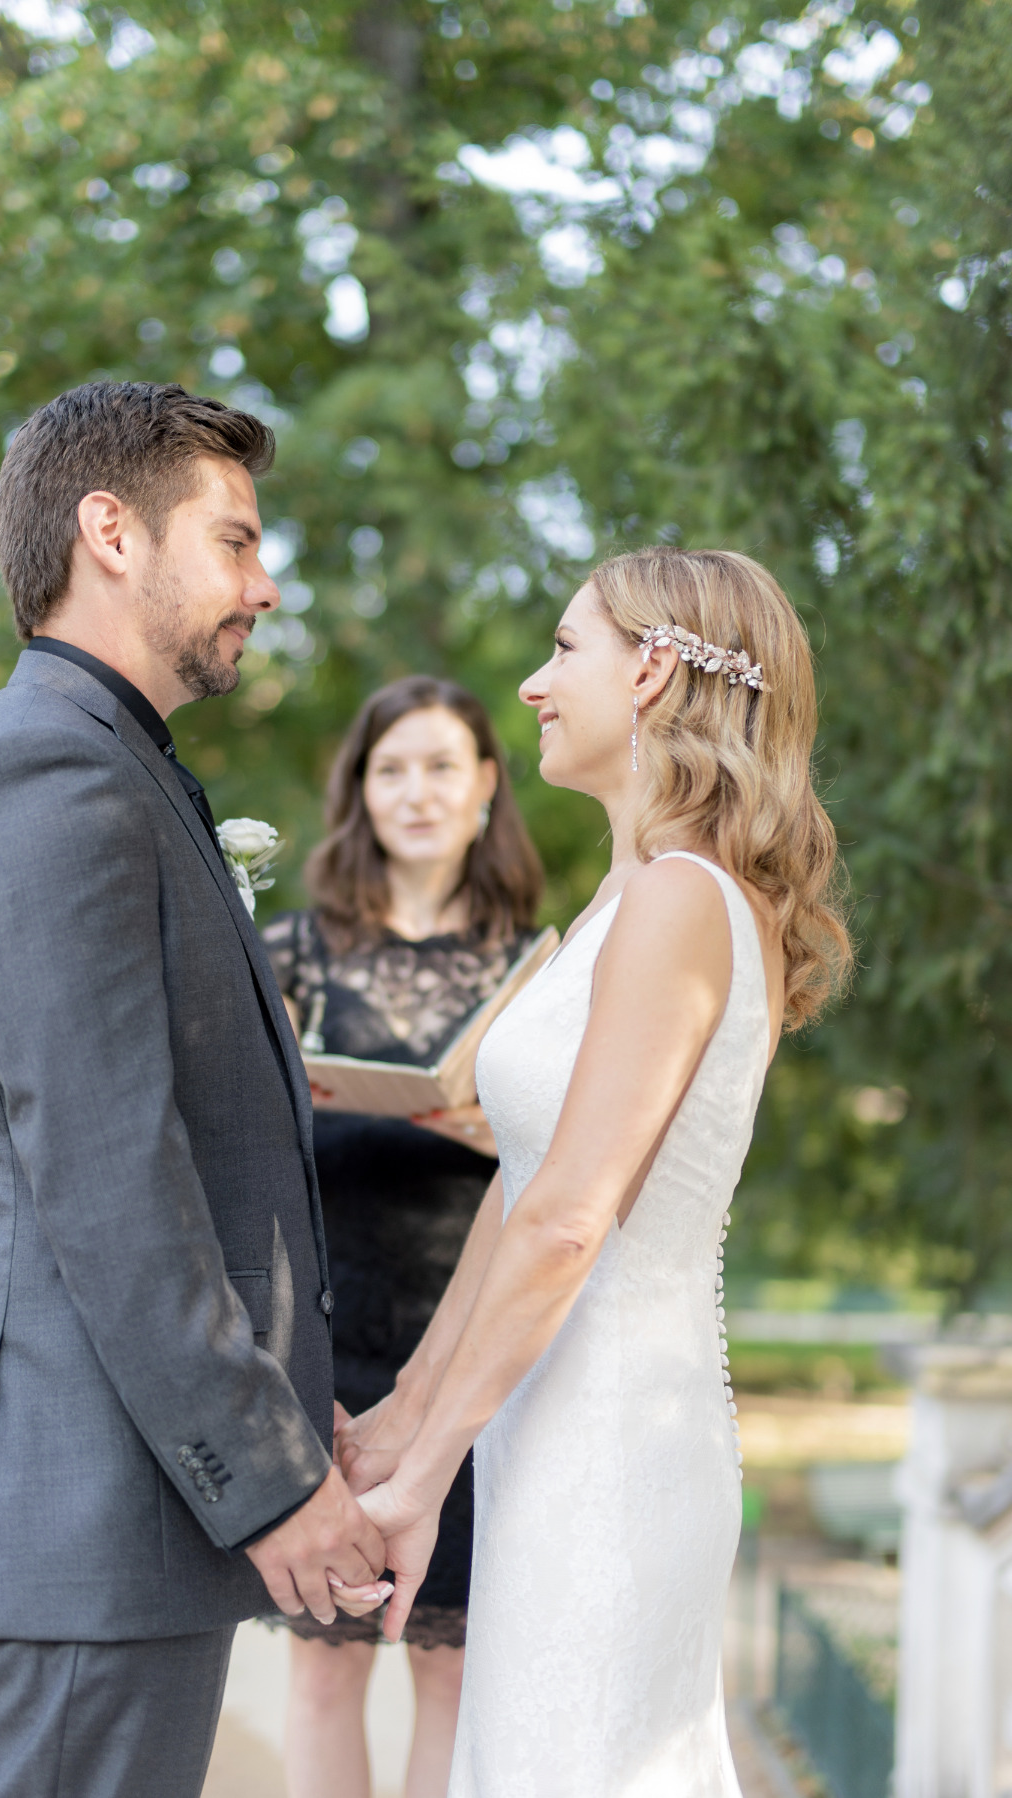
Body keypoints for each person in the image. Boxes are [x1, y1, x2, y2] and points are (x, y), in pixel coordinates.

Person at [0, 381, 390, 1798]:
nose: (266, 580)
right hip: (91, 1525)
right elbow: (112, 1179)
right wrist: (273, 1474)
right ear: (109, 532)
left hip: (126, 1532)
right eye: (236, 541)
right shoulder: (50, 773)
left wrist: (302, 1412)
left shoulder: (115, 761)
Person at [339, 548, 852, 1796]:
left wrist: (424, 1481)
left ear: (657, 670)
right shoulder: (625, 901)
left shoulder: (685, 900)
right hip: (552, 1422)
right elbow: (525, 1183)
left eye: (565, 649)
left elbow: (572, 1220)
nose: (530, 685)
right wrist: (406, 1409)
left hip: (617, 1439)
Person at [261, 676, 544, 1798]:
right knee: (323, 1675)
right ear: (359, 793)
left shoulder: (538, 968)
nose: (416, 792)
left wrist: (494, 1125)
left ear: (485, 786)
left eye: (440, 765)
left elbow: (575, 1166)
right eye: (392, 769)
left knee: (454, 1667)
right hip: (329, 1345)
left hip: (473, 1357)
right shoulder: (290, 953)